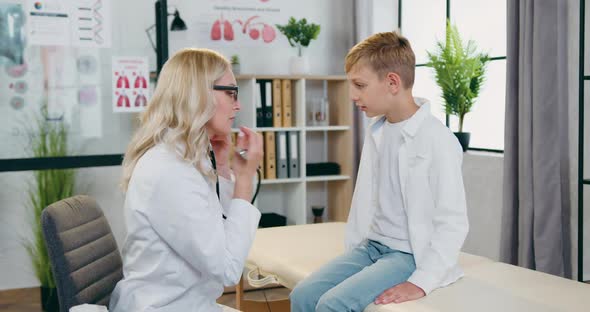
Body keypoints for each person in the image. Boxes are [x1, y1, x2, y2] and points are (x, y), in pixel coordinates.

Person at [290, 31, 469, 312]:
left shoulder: (439, 141)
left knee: (331, 305)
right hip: (370, 248)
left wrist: (421, 282)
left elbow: (453, 222)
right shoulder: (378, 131)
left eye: (359, 85)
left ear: (393, 82)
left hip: (407, 255)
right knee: (302, 296)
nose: (352, 95)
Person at [109, 48, 263, 312]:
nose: (238, 105)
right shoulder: (170, 170)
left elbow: (220, 228)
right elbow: (226, 268)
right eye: (231, 92)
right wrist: (245, 181)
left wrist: (224, 166)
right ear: (199, 94)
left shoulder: (186, 158)